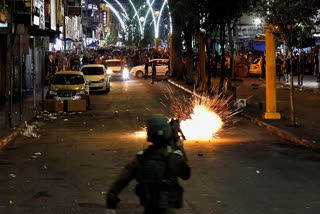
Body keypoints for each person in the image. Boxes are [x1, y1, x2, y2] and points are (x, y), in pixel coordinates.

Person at [105, 114, 191, 214]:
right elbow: (186, 174)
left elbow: (121, 180)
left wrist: (111, 200)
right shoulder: (174, 158)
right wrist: (178, 145)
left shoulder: (141, 159)